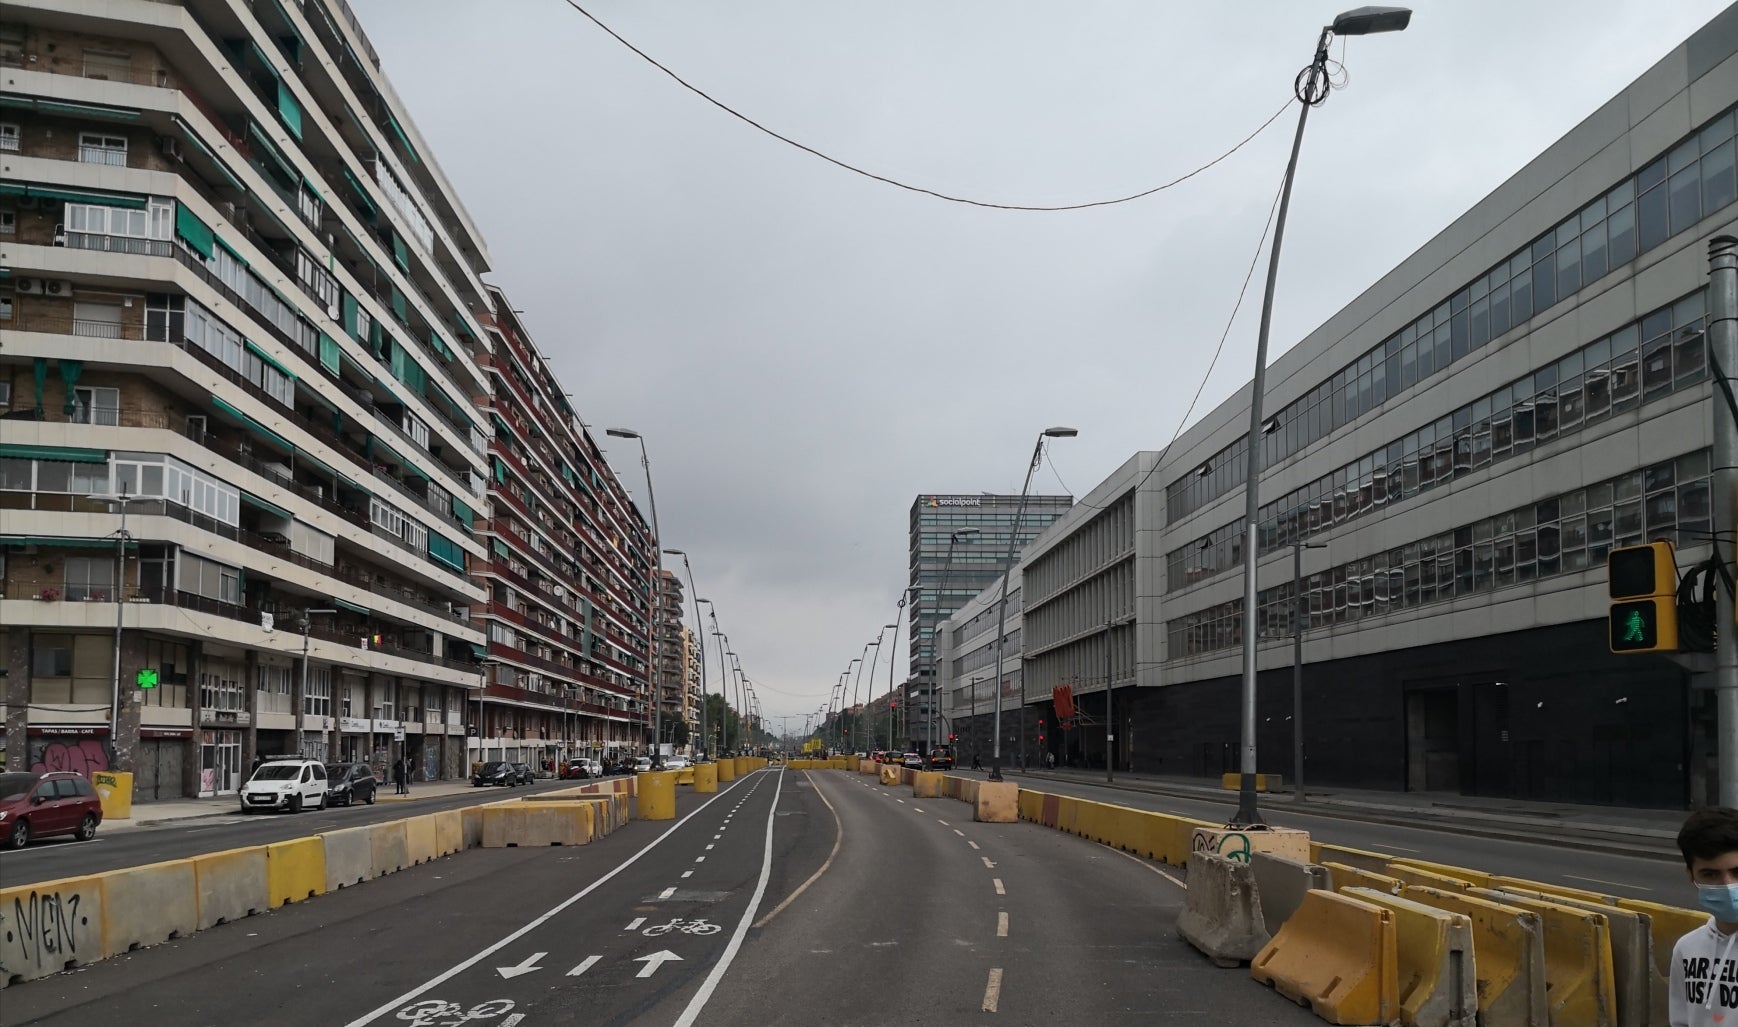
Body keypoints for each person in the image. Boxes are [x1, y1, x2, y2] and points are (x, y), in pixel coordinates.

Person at [1672, 806, 1738, 1026]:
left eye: (1737, 872)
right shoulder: (1686, 947)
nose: (1728, 885)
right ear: (1691, 875)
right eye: (1711, 874)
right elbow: (1681, 1020)